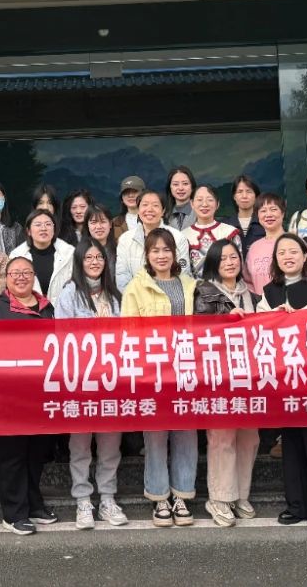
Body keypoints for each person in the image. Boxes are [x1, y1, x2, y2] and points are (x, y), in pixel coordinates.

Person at [256, 234, 307, 532]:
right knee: (292, 444)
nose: (288, 256)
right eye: (282, 252)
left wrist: (299, 320)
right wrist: (273, 318)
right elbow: (258, 330)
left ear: (306, 257)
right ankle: (298, 505)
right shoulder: (269, 293)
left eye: (294, 251)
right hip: (285, 380)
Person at [121, 227, 198, 527]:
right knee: (155, 436)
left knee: (186, 434)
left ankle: (182, 495)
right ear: (147, 255)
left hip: (186, 369)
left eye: (166, 250)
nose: (161, 255)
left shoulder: (190, 285)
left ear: (175, 254)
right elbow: (128, 334)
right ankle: (159, 497)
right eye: (155, 250)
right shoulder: (136, 288)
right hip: (153, 371)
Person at [55, 240, 129, 529]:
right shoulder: (70, 293)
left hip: (112, 381)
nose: (95, 262)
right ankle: (83, 500)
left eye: (99, 257)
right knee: (80, 444)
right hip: (81, 381)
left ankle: (108, 498)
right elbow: (62, 336)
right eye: (89, 257)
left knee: (110, 444)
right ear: (79, 261)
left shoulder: (115, 295)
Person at [0, 255, 58, 535]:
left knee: (36, 453)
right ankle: (14, 513)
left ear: (34, 276)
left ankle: (33, 504)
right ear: (7, 278)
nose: (21, 277)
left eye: (26, 272)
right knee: (12, 455)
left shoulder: (47, 307)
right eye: (15, 273)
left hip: (41, 392)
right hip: (9, 396)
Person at [193, 239, 258, 527]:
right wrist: (225, 320)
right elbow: (199, 331)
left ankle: (240, 494)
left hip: (250, 375)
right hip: (219, 375)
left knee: (249, 437)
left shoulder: (251, 293)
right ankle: (220, 497)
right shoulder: (205, 292)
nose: (230, 263)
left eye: (234, 257)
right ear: (213, 263)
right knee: (222, 437)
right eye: (223, 259)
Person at [115, 189, 189, 289]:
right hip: (135, 297)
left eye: (155, 205)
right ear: (138, 210)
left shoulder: (178, 237)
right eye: (145, 205)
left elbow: (183, 274)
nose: (149, 209)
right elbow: (122, 275)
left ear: (163, 211)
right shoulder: (125, 239)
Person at [0, 208, 73, 302]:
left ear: (54, 229)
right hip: (27, 308)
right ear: (28, 231)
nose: (43, 228)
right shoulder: (17, 255)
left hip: (63, 308)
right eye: (38, 224)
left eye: (48, 224)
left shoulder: (69, 253)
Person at [184, 184, 241, 277]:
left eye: (210, 200)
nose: (204, 204)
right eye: (199, 200)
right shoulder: (183, 236)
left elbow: (239, 267)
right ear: (192, 204)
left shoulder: (230, 232)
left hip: (226, 285)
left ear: (217, 204)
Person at [241, 192, 287, 298]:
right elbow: (248, 283)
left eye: (273, 209)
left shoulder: (295, 242)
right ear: (258, 216)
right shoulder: (254, 248)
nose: (268, 214)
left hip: (290, 305)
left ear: (283, 213)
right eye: (263, 211)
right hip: (260, 306)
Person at [223, 174, 265, 253]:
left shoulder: (265, 222)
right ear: (234, 197)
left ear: (256, 196)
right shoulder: (225, 225)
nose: (244, 196)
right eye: (240, 192)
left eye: (249, 191)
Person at [111, 175, 145, 242]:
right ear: (122, 197)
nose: (130, 195)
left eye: (135, 191)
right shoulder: (114, 223)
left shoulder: (153, 219)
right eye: (126, 192)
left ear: (143, 194)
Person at [165, 165, 197, 232]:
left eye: (185, 184)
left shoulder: (200, 211)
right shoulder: (164, 215)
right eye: (175, 184)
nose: (180, 188)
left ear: (192, 186)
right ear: (170, 187)